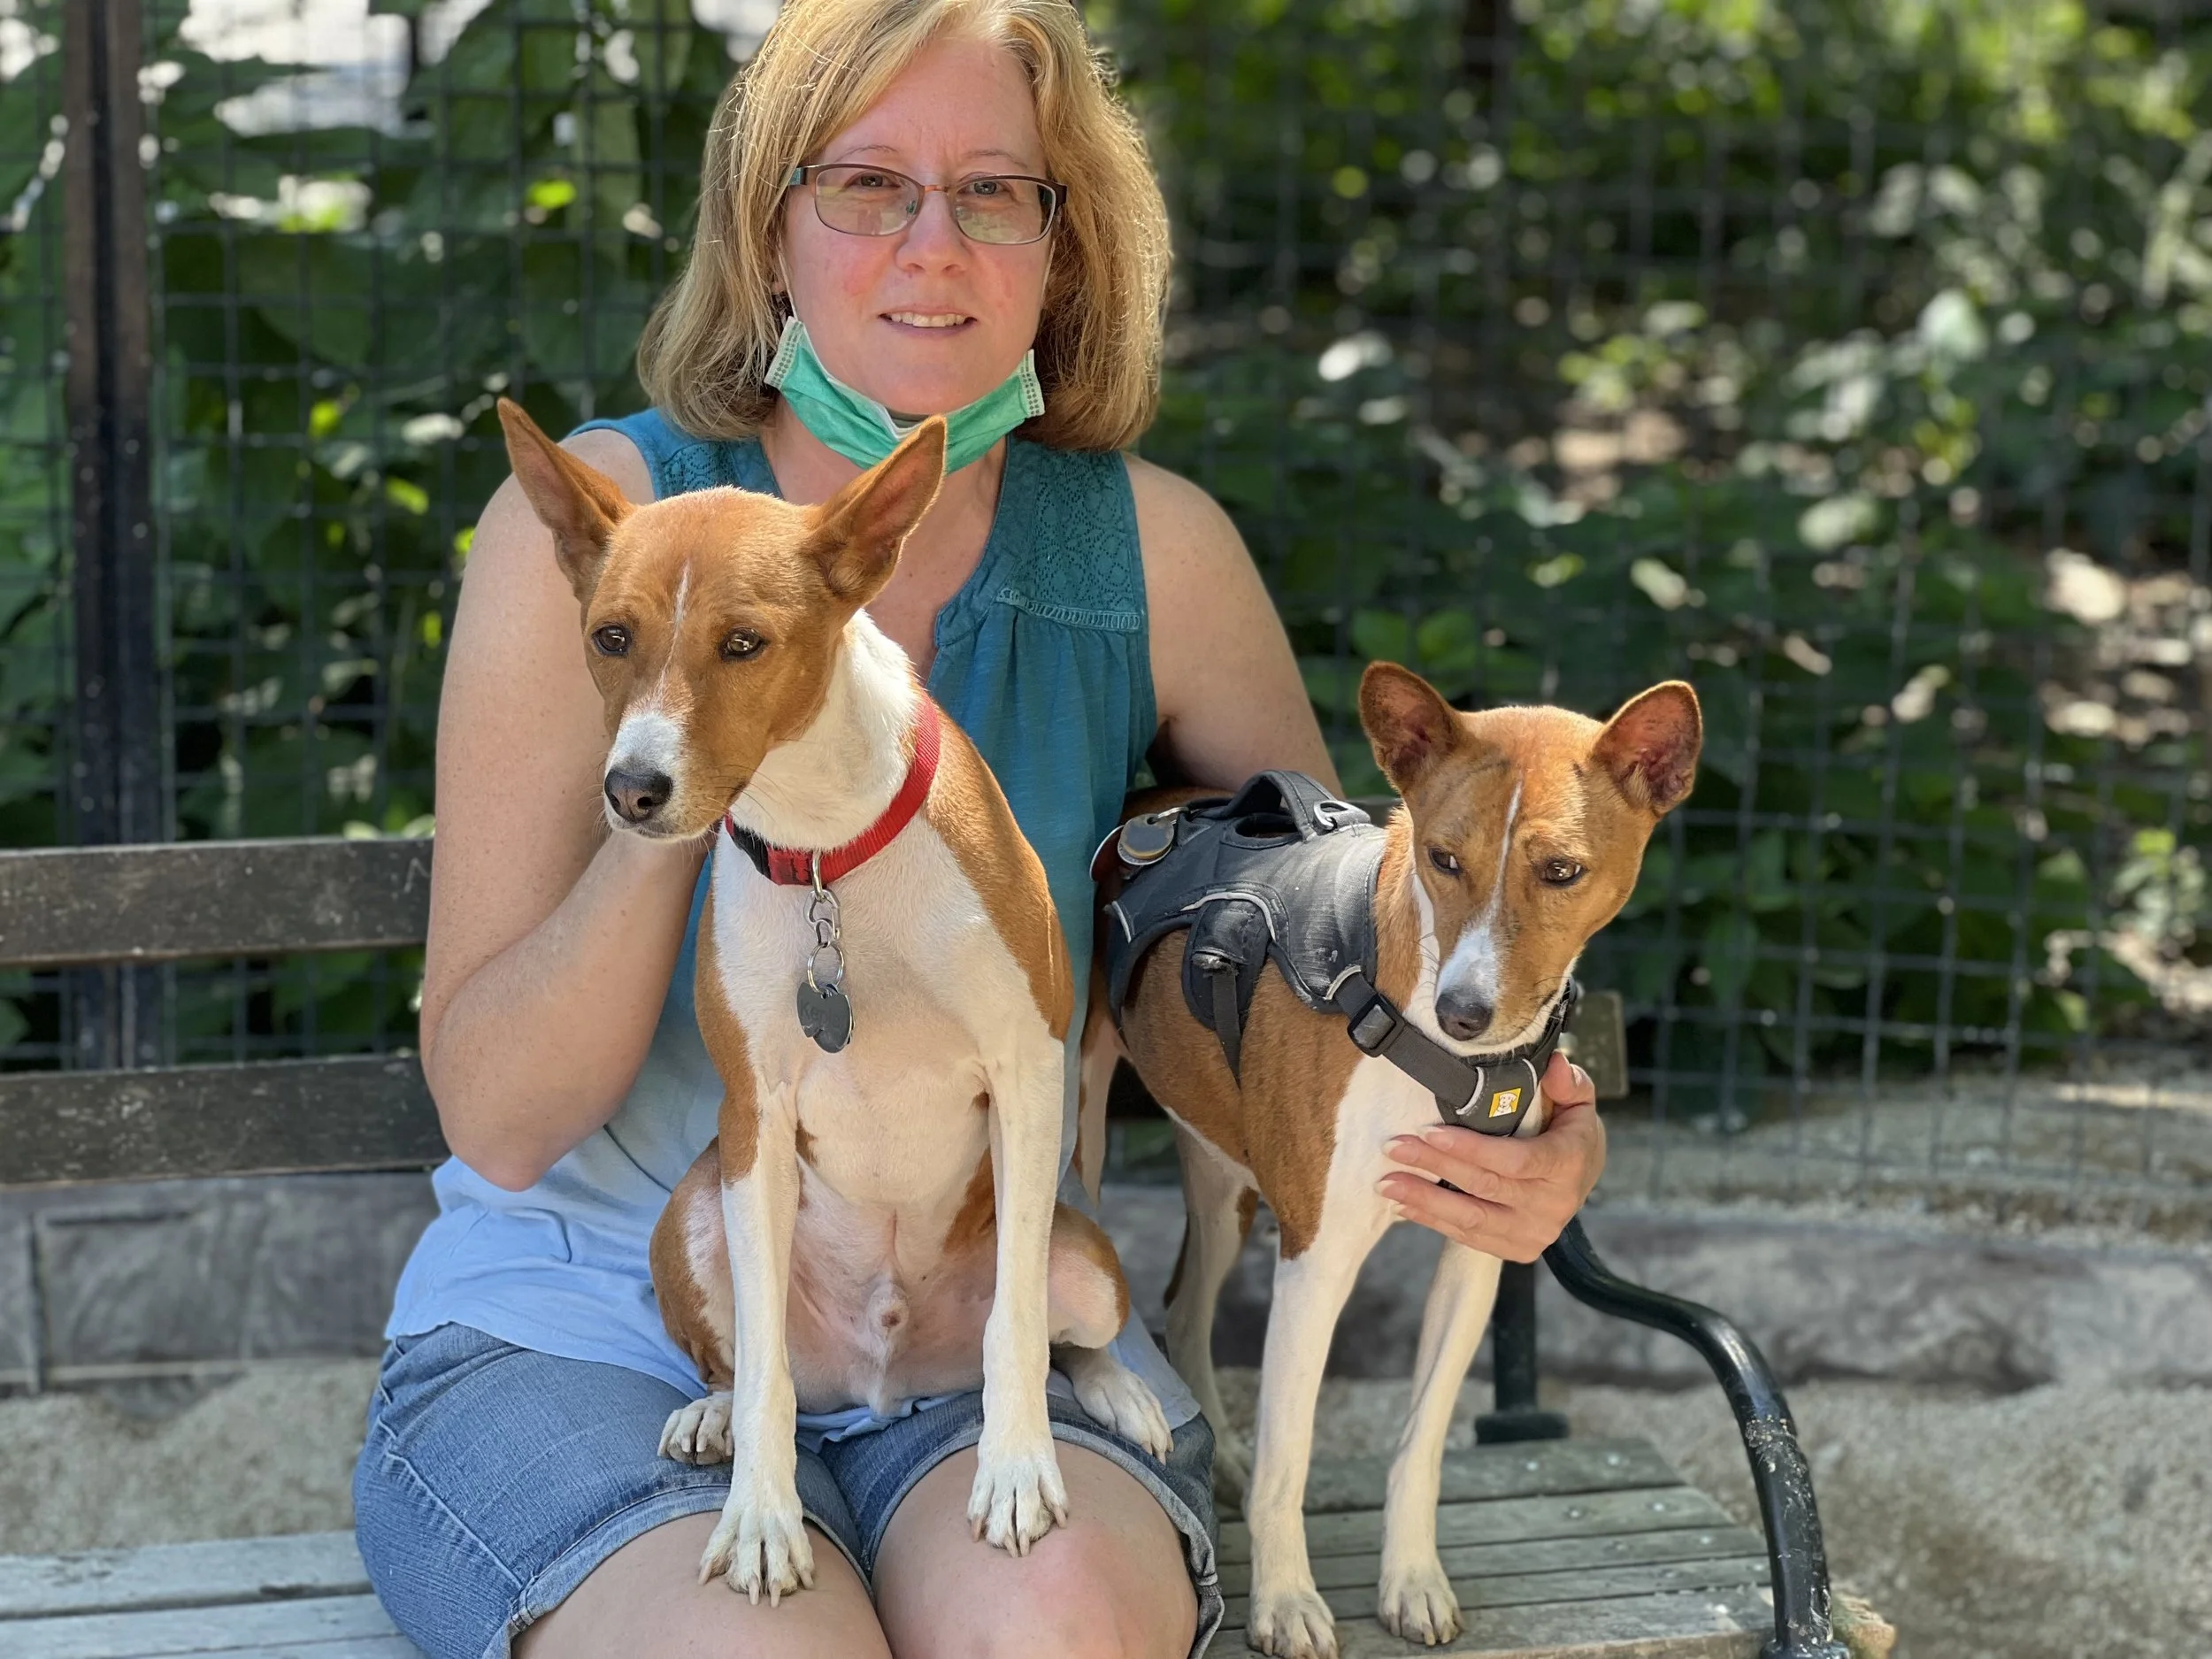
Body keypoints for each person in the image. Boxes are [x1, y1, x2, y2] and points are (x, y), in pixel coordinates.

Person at [350, 3, 1605, 1655]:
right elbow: (503, 1119)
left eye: (995, 192)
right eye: (866, 185)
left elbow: (1355, 951)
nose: (931, 245)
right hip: (600, 1319)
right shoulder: (606, 533)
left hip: (988, 1304)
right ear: (766, 231)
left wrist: (1539, 1127)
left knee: (1056, 1625)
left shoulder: (1155, 555)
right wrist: (707, 729)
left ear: (1060, 248)